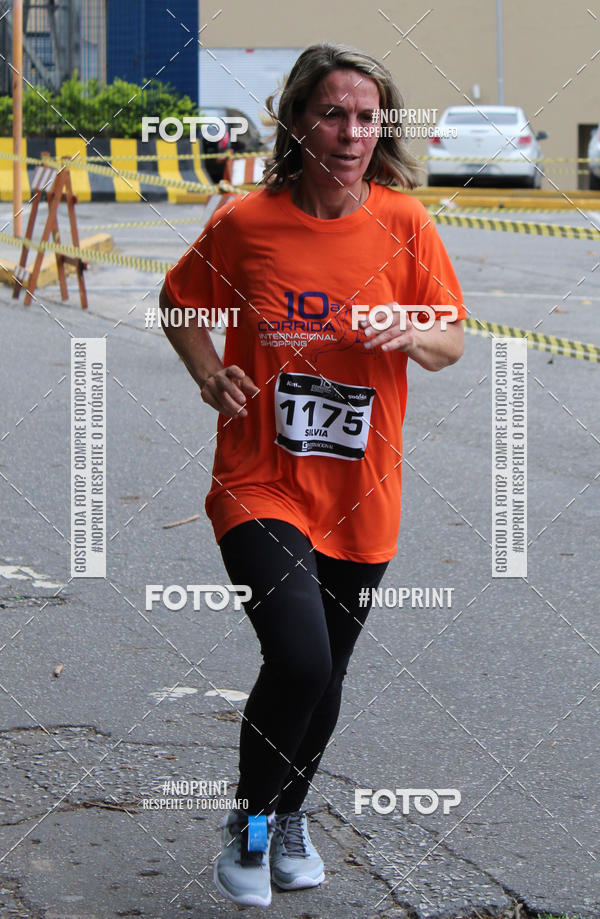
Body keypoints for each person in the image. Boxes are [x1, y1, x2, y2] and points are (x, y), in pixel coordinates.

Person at [159, 42, 466, 909]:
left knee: (327, 674)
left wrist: (411, 332)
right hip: (260, 480)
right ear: (297, 122)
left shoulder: (405, 223)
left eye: (367, 116)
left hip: (362, 494)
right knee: (296, 658)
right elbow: (179, 300)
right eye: (332, 112)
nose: (351, 130)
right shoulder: (247, 222)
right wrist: (205, 370)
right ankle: (252, 828)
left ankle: (290, 813)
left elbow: (451, 340)